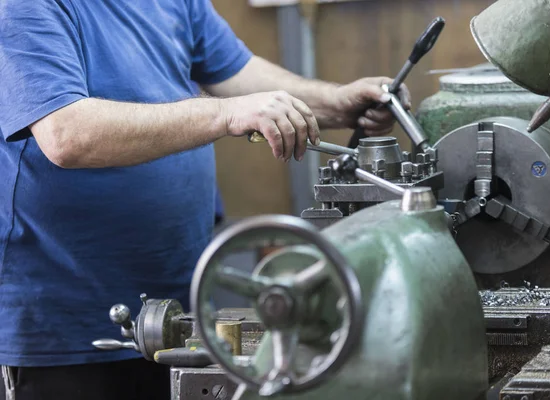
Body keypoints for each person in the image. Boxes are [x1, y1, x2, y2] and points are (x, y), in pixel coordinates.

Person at [0, 1, 410, 399]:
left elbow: (238, 73)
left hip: (181, 302)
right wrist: (225, 114)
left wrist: (336, 104)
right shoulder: (26, 5)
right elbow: (66, 134)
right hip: (67, 322)